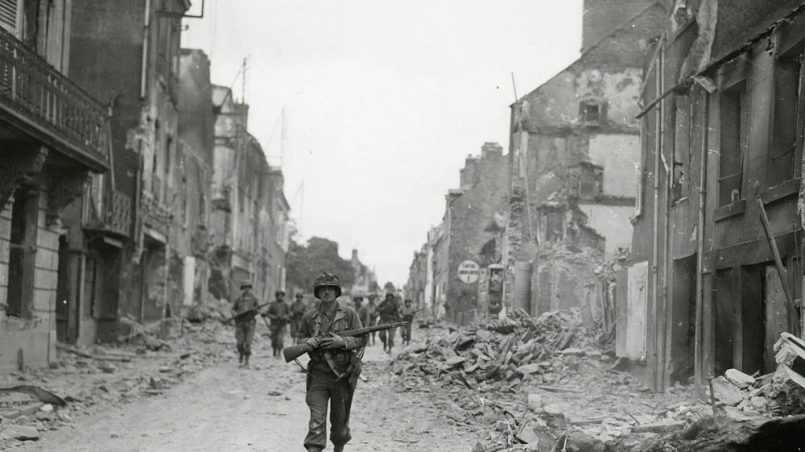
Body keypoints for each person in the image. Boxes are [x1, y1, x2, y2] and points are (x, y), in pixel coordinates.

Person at [296, 272, 367, 452]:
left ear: (337, 292)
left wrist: (343, 342)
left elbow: (361, 339)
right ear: (317, 293)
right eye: (322, 289)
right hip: (318, 375)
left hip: (341, 376)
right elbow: (300, 340)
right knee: (316, 422)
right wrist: (308, 342)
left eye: (330, 289)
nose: (327, 292)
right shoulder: (309, 317)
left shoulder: (349, 314)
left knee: (339, 425)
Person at [232, 283, 260, 368]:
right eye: (245, 288)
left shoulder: (254, 299)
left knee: (248, 343)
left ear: (250, 288)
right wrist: (235, 314)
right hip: (240, 323)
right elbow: (233, 309)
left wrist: (254, 311)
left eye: (248, 287)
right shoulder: (239, 299)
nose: (246, 289)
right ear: (243, 289)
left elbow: (259, 310)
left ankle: (246, 361)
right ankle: (241, 353)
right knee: (239, 343)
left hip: (250, 323)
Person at [265, 290, 291, 357]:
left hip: (282, 325)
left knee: (280, 339)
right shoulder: (273, 304)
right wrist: (274, 317)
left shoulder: (285, 305)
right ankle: (274, 351)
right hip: (274, 325)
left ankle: (279, 352)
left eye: (281, 295)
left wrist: (284, 317)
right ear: (276, 296)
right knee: (274, 339)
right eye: (278, 295)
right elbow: (267, 313)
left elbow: (289, 315)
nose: (280, 297)